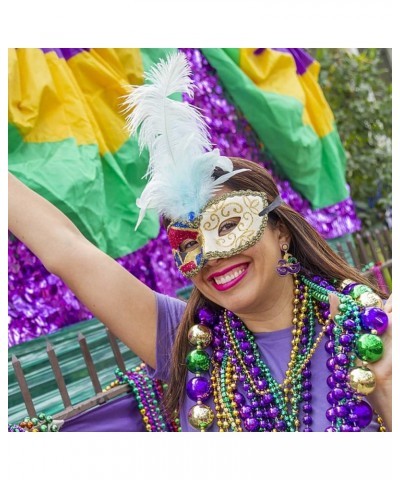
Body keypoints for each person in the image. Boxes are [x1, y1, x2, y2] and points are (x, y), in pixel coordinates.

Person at [8, 52, 392, 432]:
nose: (211, 256)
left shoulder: (369, 329)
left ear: (281, 231)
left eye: (227, 227)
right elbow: (66, 249)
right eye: (189, 244)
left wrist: (386, 386)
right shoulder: (184, 342)